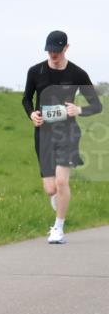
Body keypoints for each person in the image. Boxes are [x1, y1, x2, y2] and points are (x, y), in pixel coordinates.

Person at [22, 30, 102, 244]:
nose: (53, 54)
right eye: (49, 50)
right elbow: (26, 99)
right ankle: (59, 197)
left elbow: (96, 105)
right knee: (51, 189)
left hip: (68, 133)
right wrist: (32, 114)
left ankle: (58, 228)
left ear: (66, 48)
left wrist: (79, 110)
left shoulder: (78, 74)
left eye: (57, 50)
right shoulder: (35, 71)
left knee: (61, 180)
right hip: (44, 134)